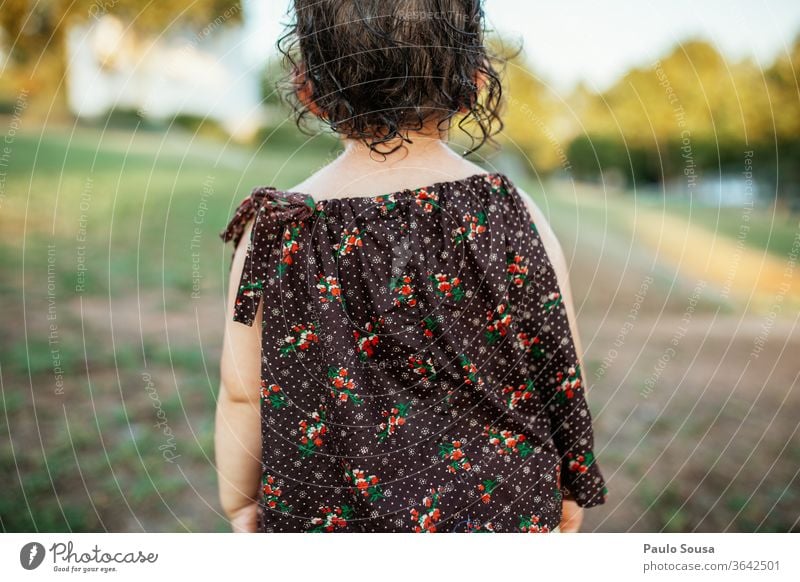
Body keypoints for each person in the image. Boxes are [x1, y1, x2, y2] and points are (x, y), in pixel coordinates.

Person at [216, 0, 608, 533]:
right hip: (498, 515)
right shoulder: (510, 213)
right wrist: (567, 486)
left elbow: (244, 392)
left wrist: (240, 504)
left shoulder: (280, 229)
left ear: (308, 86)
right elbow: (560, 367)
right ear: (472, 81)